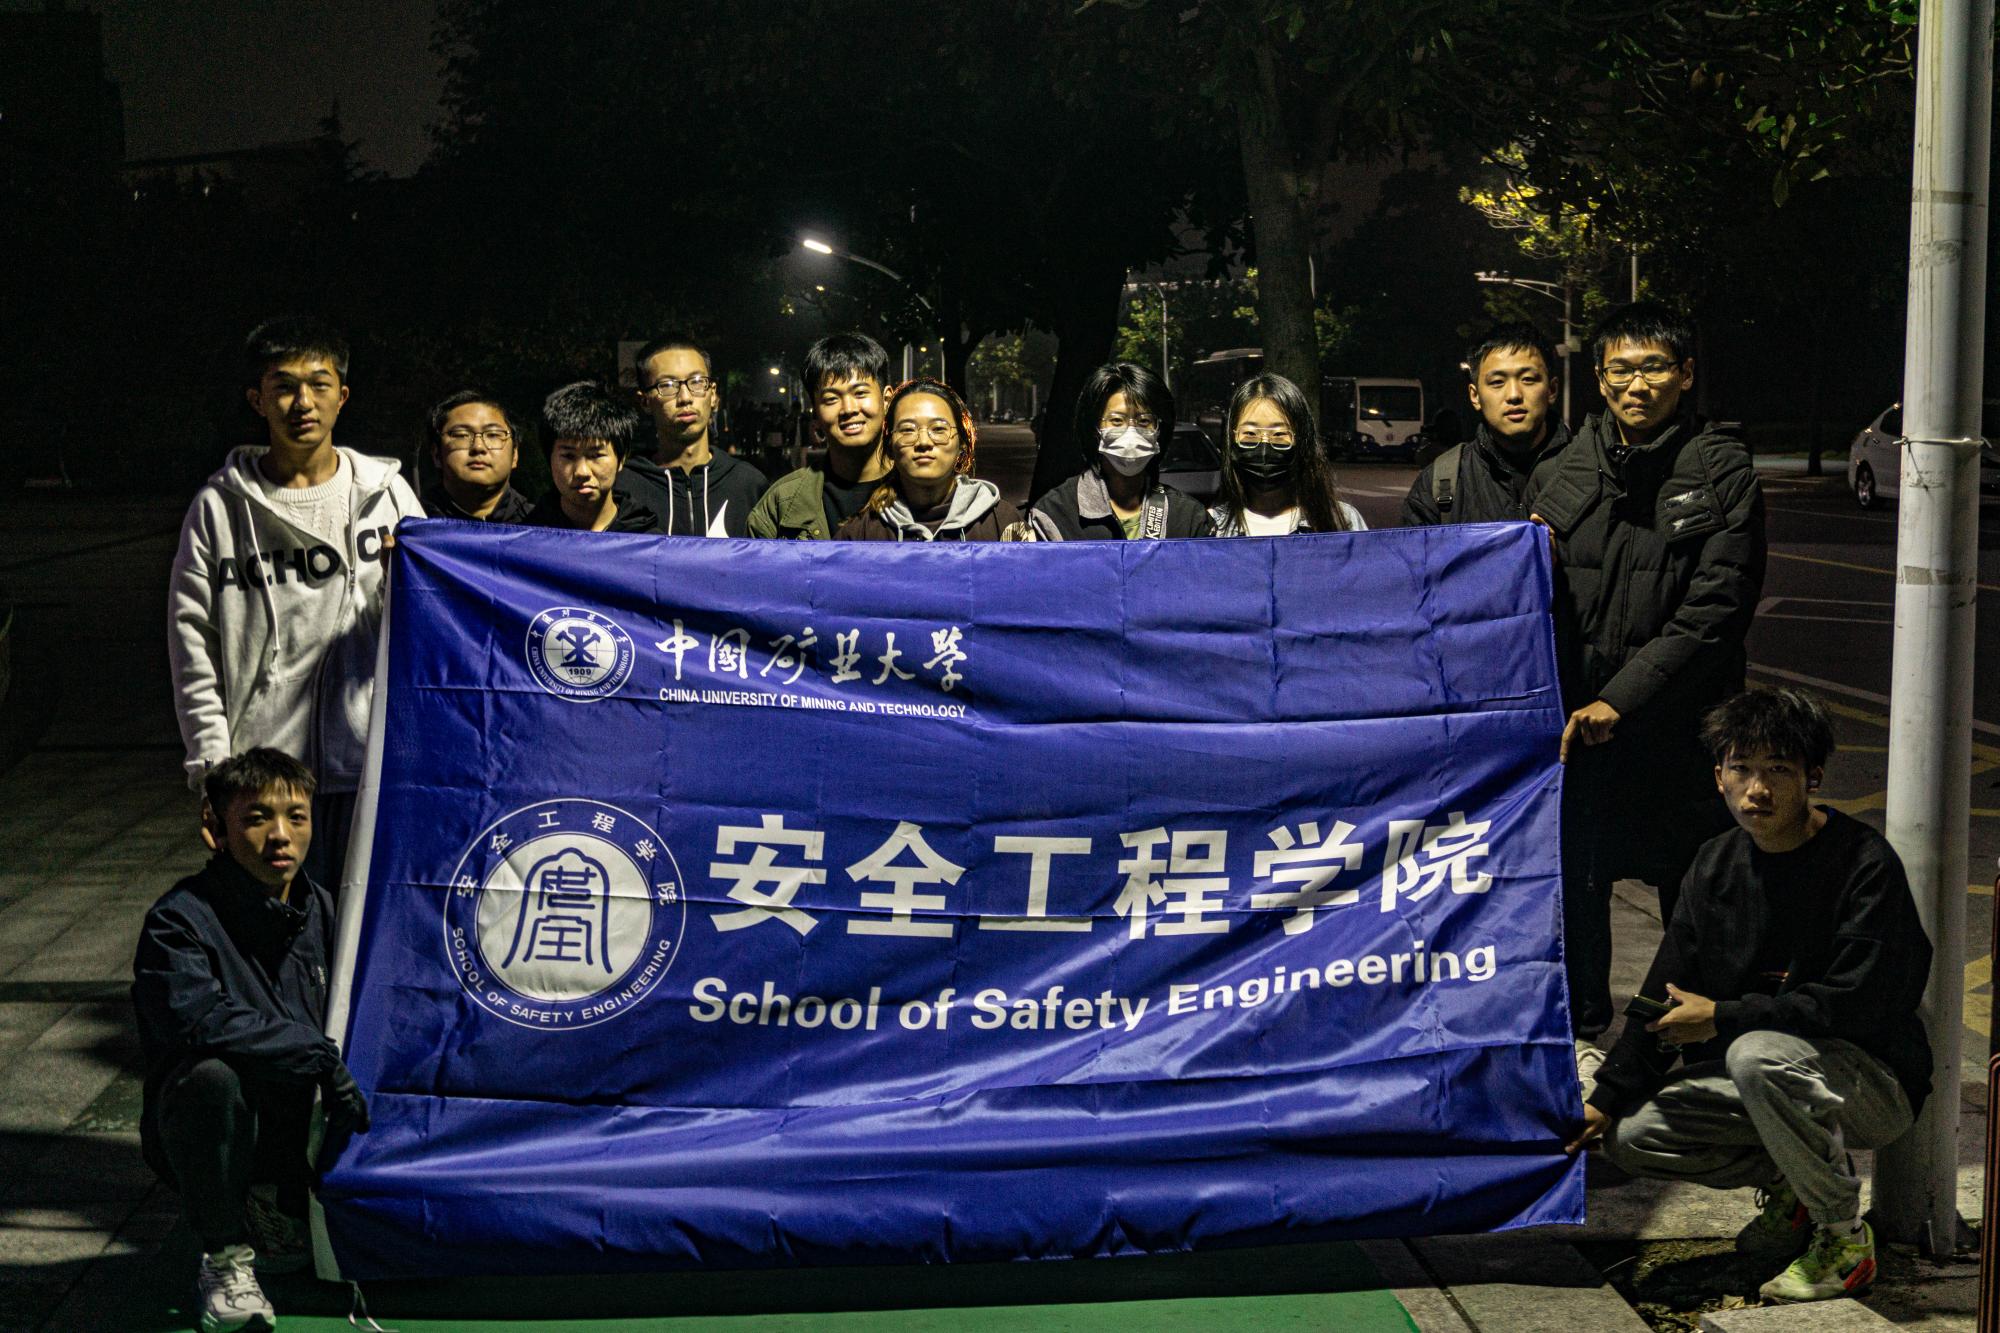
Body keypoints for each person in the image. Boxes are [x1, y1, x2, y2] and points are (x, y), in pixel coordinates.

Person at [1569, 688, 1930, 1305]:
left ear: (1812, 778)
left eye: (1778, 771)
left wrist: (1724, 1018)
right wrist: (1604, 1099)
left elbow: (1860, 1001)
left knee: (1755, 1052)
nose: (1756, 790)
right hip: (1771, 1079)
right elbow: (1662, 994)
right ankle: (1798, 1190)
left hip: (1874, 1082)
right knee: (1633, 1135)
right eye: (1741, 769)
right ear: (1719, 777)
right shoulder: (1715, 863)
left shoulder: (1863, 862)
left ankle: (1843, 1239)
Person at [1527, 301, 1766, 1056]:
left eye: (1655, 367)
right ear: (1601, 380)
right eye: (1622, 369)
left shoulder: (1721, 468)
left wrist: (1619, 699)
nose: (1638, 384)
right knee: (1578, 885)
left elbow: (1716, 609)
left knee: (1694, 894)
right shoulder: (1563, 470)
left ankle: (1693, 1049)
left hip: (1682, 730)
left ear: (1685, 374)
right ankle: (1583, 1041)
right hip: (1580, 729)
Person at [168, 317, 425, 896]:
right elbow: (193, 648)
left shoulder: (387, 495)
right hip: (266, 776)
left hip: (371, 766)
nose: (302, 402)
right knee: (278, 927)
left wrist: (402, 584)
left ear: (343, 395)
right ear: (257, 399)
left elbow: (430, 623)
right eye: (283, 386)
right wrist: (213, 773)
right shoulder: (218, 508)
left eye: (318, 384)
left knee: (364, 925)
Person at [132, 748, 371, 1332]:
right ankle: (224, 1257)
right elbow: (199, 1020)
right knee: (211, 1079)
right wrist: (316, 1056)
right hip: (226, 1122)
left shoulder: (323, 908)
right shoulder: (179, 920)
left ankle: (283, 1204)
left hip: (305, 1121)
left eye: (297, 816)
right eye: (257, 818)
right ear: (215, 830)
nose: (281, 835)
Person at [1401, 322, 1572, 526]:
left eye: (1528, 379)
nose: (1514, 395)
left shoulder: (1588, 470)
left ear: (1552, 390)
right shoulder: (1440, 482)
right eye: (1497, 382)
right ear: (1475, 396)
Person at [1024, 363, 1214, 540]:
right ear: (1094, 429)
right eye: (1116, 420)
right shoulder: (1054, 514)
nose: (1131, 432)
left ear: (1158, 431)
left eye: (1144, 421)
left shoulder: (1188, 517)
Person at [833, 378, 1023, 541]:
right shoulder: (861, 534)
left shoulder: (1004, 523)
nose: (923, 442)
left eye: (939, 429)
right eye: (907, 430)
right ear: (890, 446)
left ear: (962, 444)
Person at [748, 332, 894, 538]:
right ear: (815, 413)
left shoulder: (924, 490)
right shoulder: (781, 503)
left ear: (887, 400)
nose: (848, 409)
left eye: (860, 393)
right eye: (831, 399)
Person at [625, 335, 767, 536]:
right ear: (645, 402)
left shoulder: (749, 484)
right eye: (667, 385)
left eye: (697, 382)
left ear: (713, 395)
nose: (685, 397)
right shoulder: (625, 488)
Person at [1208, 373, 1365, 535]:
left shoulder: (1343, 521)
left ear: (1302, 440)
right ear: (1232, 438)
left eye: (1279, 434)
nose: (1264, 448)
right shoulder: (1212, 528)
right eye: (1250, 433)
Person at [526, 381, 664, 533]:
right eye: (568, 456)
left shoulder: (647, 541)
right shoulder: (527, 539)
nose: (582, 472)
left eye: (596, 455)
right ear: (549, 458)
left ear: (621, 459)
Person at [421, 389, 534, 522]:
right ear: (436, 454)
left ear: (514, 455)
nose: (478, 447)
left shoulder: (541, 526)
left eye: (493, 435)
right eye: (462, 435)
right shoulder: (413, 523)